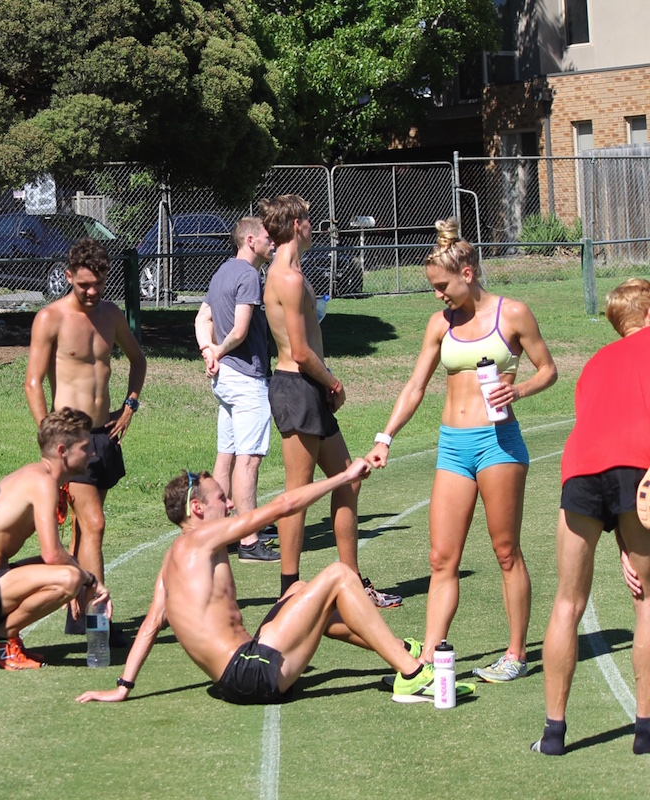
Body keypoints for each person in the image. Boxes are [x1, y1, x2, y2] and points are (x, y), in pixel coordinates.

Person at [75, 463, 462, 705]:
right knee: (340, 574)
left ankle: (397, 649)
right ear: (197, 508)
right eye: (222, 499)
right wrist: (342, 478)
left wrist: (123, 685)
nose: (228, 506)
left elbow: (148, 627)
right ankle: (412, 675)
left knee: (299, 592)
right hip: (252, 673)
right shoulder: (202, 538)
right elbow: (281, 507)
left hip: (238, 676)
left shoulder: (171, 560)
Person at [365, 218, 557, 682]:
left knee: (506, 550)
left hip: (499, 445)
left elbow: (549, 369)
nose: (438, 295)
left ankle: (515, 654)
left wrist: (520, 391)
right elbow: (415, 385)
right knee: (440, 558)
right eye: (433, 288)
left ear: (467, 273)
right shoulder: (439, 323)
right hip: (453, 446)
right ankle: (429, 659)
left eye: (442, 286)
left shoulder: (512, 314)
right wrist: (384, 437)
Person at [259, 194, 399, 608]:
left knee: (349, 477)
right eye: (309, 219)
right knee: (298, 493)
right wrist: (333, 384)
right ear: (297, 224)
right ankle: (288, 590)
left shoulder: (293, 272)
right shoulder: (288, 277)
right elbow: (300, 351)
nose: (313, 226)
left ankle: (351, 581)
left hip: (307, 386)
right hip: (297, 386)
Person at [532, 278, 650, 755]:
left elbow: (601, 442)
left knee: (567, 602)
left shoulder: (596, 364)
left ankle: (553, 735)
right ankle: (645, 731)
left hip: (579, 469)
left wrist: (624, 541)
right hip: (638, 467)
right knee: (646, 602)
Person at [25, 237, 147, 640]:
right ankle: (99, 622)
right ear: (68, 277)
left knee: (83, 529)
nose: (92, 292)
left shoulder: (111, 315)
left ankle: (76, 616)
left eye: (98, 284)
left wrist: (130, 404)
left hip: (104, 436)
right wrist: (52, 441)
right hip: (70, 442)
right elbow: (32, 383)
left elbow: (137, 359)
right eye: (83, 285)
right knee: (94, 523)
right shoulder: (51, 318)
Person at [0, 408, 112, 670]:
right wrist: (89, 580)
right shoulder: (42, 482)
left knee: (69, 568)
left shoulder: (39, 476)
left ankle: (5, 637)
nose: (93, 454)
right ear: (62, 450)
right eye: (85, 448)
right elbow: (52, 554)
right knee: (70, 577)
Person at [193, 216, 279, 564]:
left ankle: (220, 532)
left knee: (225, 457)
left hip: (224, 379)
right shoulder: (247, 275)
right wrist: (219, 350)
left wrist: (207, 351)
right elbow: (240, 331)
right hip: (245, 379)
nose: (272, 242)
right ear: (249, 240)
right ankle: (248, 540)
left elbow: (201, 320)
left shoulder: (222, 271)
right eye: (267, 237)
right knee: (249, 460)